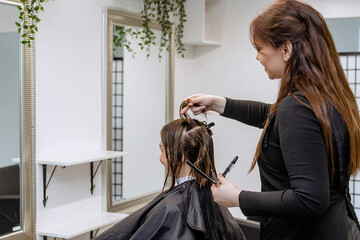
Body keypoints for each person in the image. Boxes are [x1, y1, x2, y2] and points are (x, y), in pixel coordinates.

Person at [180, 0, 360, 239]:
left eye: (260, 49)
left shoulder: (297, 108)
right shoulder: (324, 97)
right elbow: (274, 117)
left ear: (286, 49)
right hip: (338, 227)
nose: (257, 57)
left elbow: (310, 200)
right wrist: (218, 102)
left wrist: (239, 198)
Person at [95, 108, 245, 240]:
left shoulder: (172, 209)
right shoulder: (213, 194)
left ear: (180, 157)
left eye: (162, 150)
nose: (160, 158)